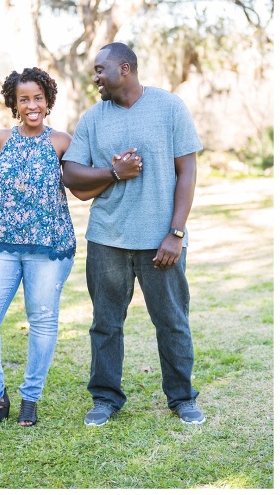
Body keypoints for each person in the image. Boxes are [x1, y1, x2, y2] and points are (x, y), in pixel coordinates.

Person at [61, 42, 204, 427]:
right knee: (106, 323)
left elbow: (187, 171)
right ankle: (105, 398)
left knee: (172, 321)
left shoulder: (169, 107)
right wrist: (113, 172)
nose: (95, 78)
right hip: (108, 238)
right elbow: (71, 174)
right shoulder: (93, 118)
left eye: (100, 70)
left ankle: (182, 397)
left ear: (124, 68)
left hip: (161, 240)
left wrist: (176, 232)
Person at [0, 67, 104, 427]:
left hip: (49, 247)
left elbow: (80, 185)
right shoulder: (0, 139)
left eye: (38, 98)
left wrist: (113, 174)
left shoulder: (61, 141)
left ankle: (30, 399)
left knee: (42, 321)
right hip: (1, 244)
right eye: (24, 99)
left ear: (48, 101)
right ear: (14, 102)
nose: (32, 105)